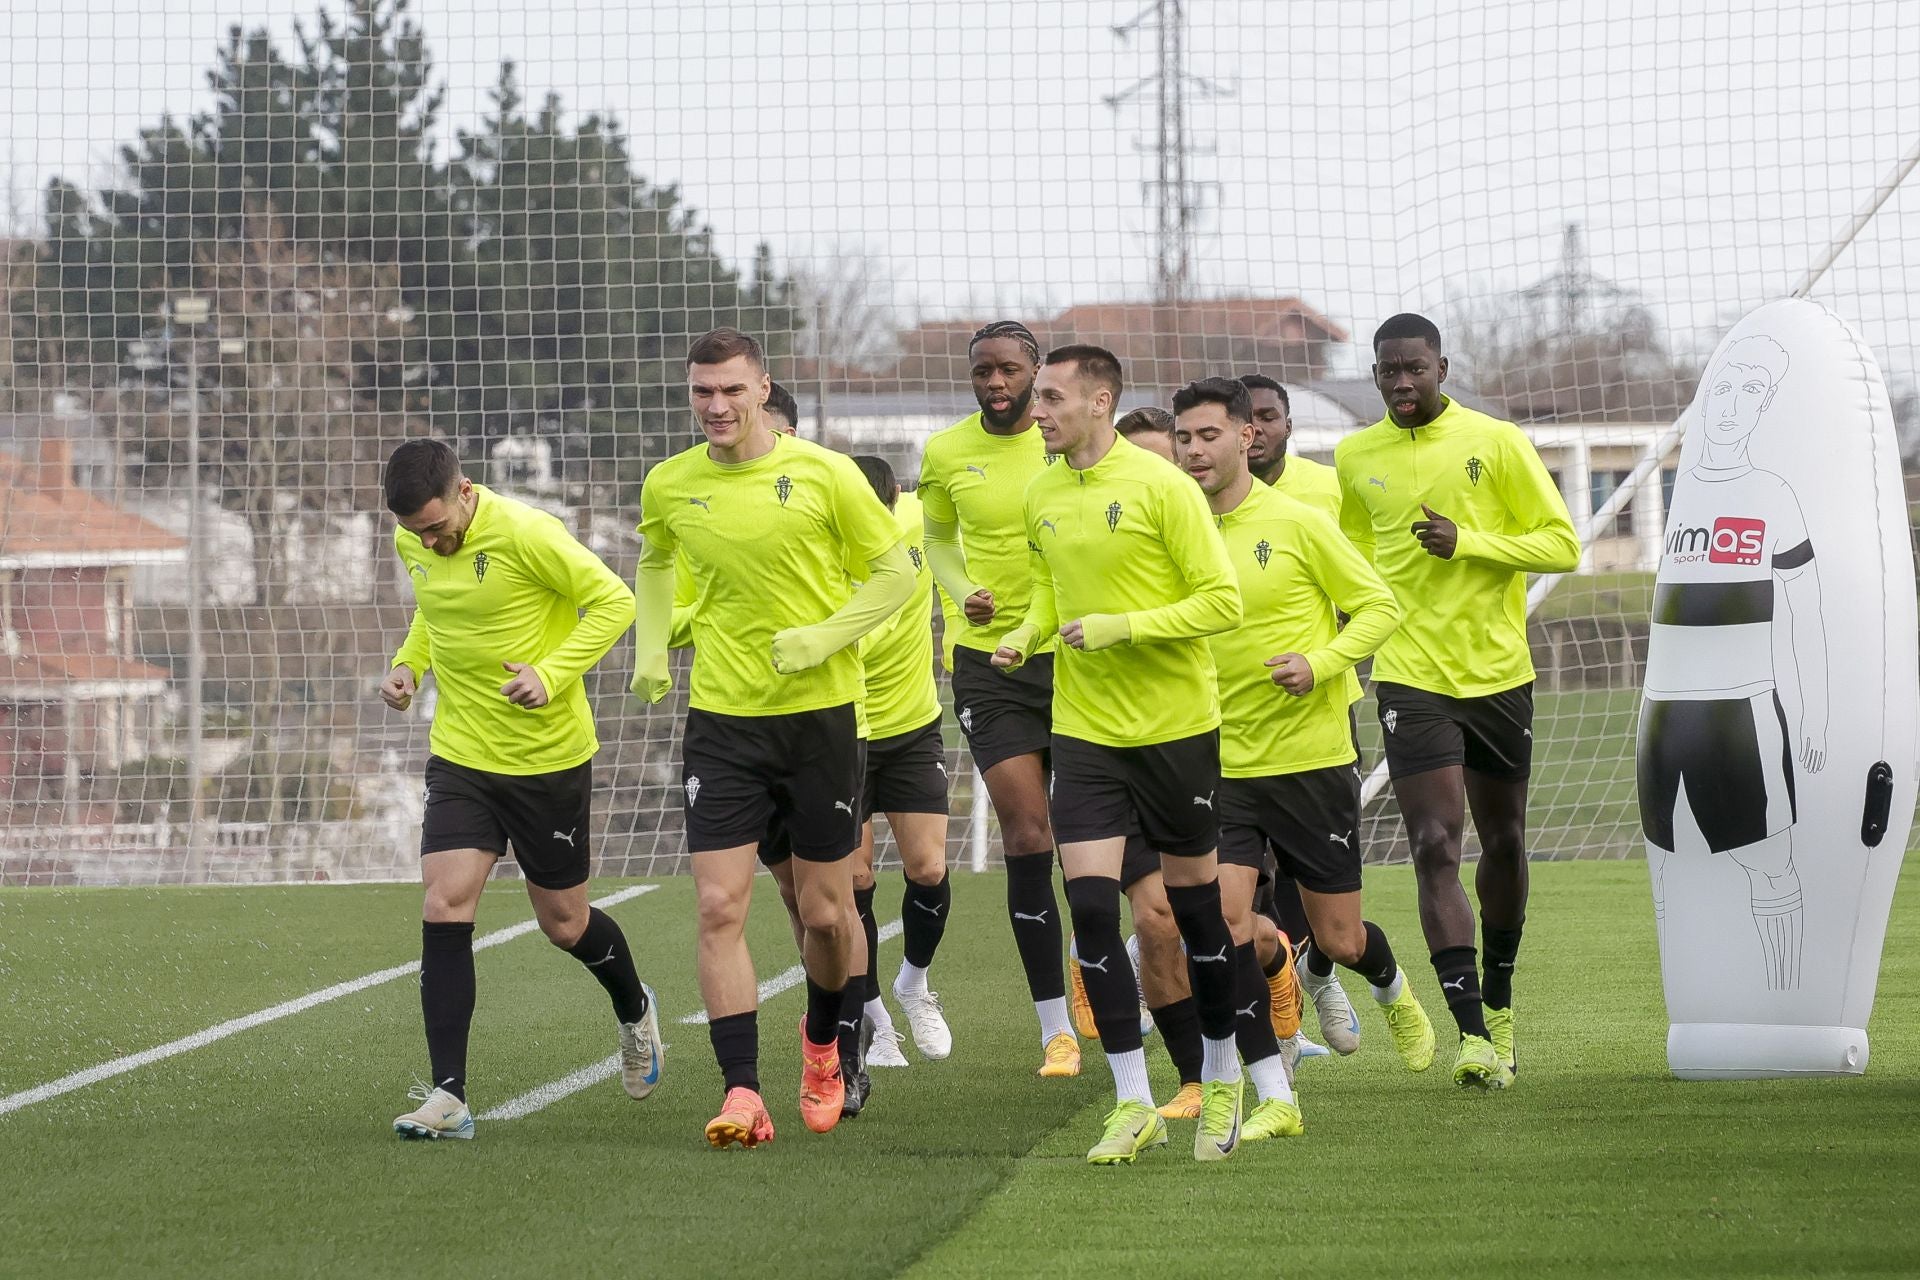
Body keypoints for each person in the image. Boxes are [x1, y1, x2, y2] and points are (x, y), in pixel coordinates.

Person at [632, 328, 914, 1147]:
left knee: (827, 917)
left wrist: (823, 639)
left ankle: (825, 1044)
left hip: (822, 721)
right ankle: (742, 1091)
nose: (715, 407)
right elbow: (654, 564)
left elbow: (896, 574)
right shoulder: (670, 483)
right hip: (722, 723)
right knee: (720, 904)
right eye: (701, 393)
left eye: (731, 391)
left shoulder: (823, 474)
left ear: (763, 390)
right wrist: (654, 647)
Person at [992, 345, 1249, 1166]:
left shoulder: (1165, 487)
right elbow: (1047, 586)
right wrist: (1027, 632)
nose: (1038, 412)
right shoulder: (1040, 491)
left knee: (1196, 913)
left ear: (1101, 402)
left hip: (1176, 730)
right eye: (1038, 399)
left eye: (1053, 398)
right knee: (1092, 914)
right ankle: (1132, 1101)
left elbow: (1222, 601)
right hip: (1085, 732)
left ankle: (1220, 1078)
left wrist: (1123, 627)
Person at [1175, 377, 1438, 1122]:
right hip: (1218, 764)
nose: (1194, 450)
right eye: (1183, 438)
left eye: (1208, 436)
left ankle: (1388, 986)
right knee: (1221, 929)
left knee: (1342, 936)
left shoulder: (1295, 522)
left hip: (1311, 760)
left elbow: (1382, 605)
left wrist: (1319, 664)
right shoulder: (1174, 528)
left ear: (1245, 439)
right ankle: (1254, 1082)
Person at [380, 438, 656, 1141]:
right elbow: (432, 611)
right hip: (463, 753)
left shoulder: (530, 532)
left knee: (564, 923)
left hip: (546, 759)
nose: (429, 543)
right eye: (418, 533)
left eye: (439, 528)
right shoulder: (414, 536)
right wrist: (409, 666)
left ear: (466, 492)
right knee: (444, 900)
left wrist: (552, 672)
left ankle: (634, 1009)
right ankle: (448, 1095)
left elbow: (613, 602)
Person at [1334, 313, 1580, 1089]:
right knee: (1435, 843)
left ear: (1442, 365)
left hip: (1499, 675)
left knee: (1503, 843)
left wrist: (1468, 541)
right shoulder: (1354, 454)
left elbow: (1561, 544)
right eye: (1388, 372)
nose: (1402, 384)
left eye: (1415, 368)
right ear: (1375, 375)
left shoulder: (1498, 442)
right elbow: (1345, 562)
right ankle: (1472, 1032)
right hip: (1410, 675)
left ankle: (1501, 1001)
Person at [918, 321, 1081, 1078]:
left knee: (1097, 842)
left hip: (1080, 656)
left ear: (1036, 371)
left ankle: (1114, 979)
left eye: (1009, 370)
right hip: (990, 667)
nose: (995, 384)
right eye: (982, 371)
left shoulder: (1065, 443)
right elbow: (938, 541)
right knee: (1026, 834)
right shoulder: (947, 453)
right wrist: (961, 592)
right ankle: (1056, 1028)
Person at [1239, 371, 1354, 1059]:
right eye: (1245, 419)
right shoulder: (1199, 500)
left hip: (1320, 713)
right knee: (1244, 878)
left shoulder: (1324, 493)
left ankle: (1318, 975)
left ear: (1287, 425)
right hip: (1232, 722)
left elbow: (1362, 587)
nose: (1257, 430)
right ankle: (1276, 1022)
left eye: (1268, 417)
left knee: (1315, 881)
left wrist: (1321, 656)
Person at [841, 456, 956, 1070]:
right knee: (855, 881)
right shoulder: (822, 551)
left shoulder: (914, 519)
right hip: (845, 732)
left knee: (929, 867)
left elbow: (966, 533)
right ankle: (874, 1018)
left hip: (912, 726)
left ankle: (914, 983)